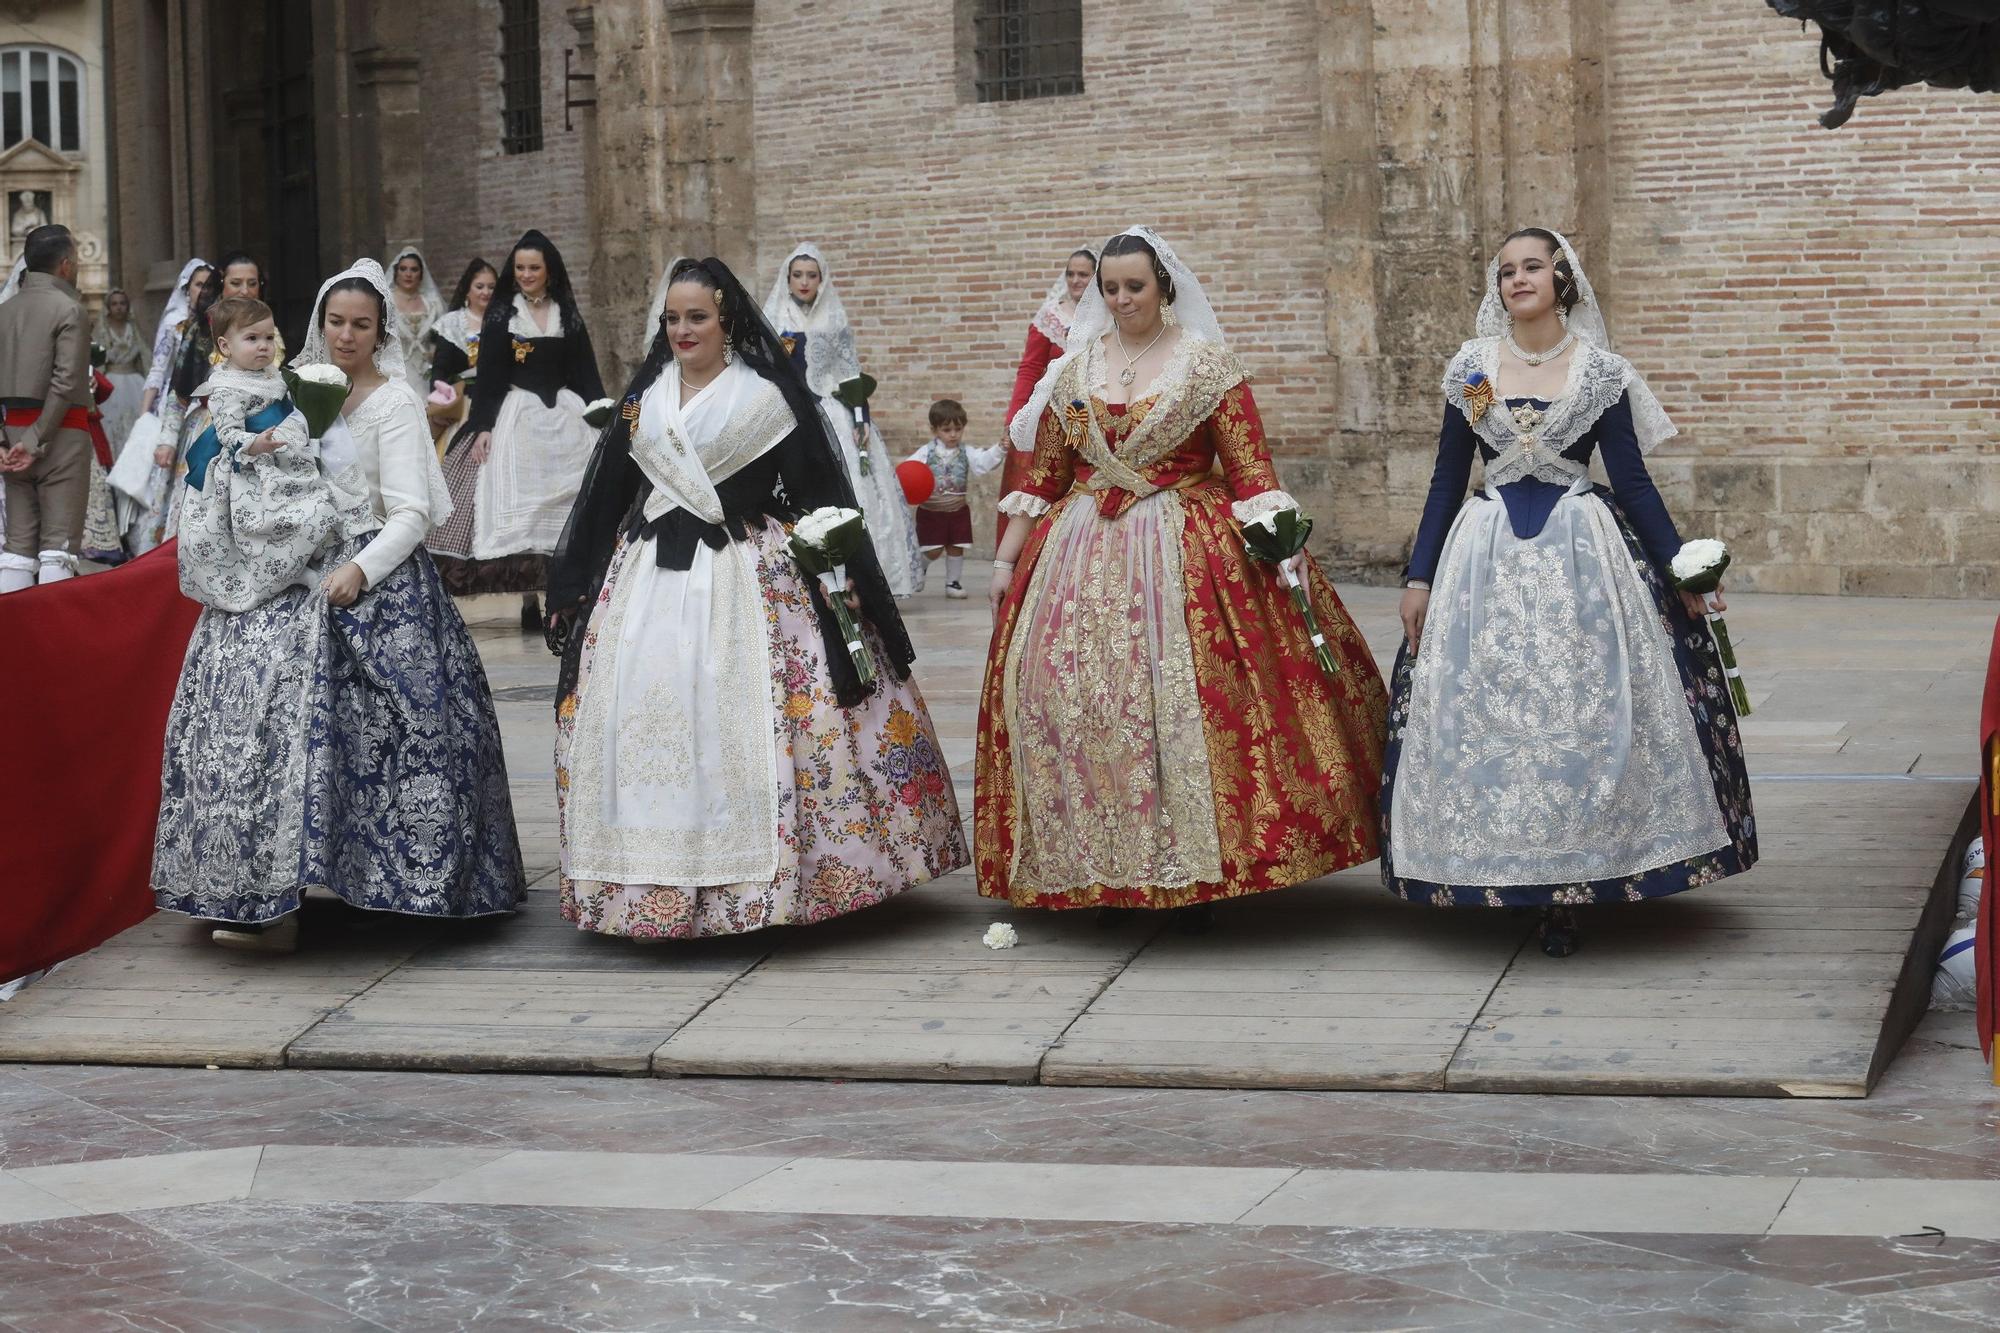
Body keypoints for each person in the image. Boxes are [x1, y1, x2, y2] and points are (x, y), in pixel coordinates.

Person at [546, 257, 966, 940]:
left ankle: (767, 882)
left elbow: (814, 492)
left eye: (697, 317)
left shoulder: (766, 398)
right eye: (672, 319)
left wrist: (840, 579)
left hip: (745, 573)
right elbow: (609, 495)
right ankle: (643, 882)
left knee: (758, 712)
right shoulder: (641, 400)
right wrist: (573, 585)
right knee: (644, 713)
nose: (683, 330)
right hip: (646, 580)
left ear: (727, 318)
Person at [978, 226, 1388, 918]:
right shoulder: (1074, 372)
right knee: (1071, 702)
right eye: (1109, 288)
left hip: (1187, 545)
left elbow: (1250, 467)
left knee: (1195, 699)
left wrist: (1280, 540)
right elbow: (1046, 473)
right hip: (1076, 554)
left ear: (1163, 285)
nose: (1120, 299)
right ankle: (1093, 863)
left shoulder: (1205, 366)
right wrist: (1004, 557)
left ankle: (1198, 865)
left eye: (1133, 286)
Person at [1384, 227, 1756, 956]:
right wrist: (1419, 574)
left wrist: (1684, 571)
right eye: (1505, 271)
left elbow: (1635, 483)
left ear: (1562, 279)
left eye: (1531, 267)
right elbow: (1445, 479)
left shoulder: (1600, 373)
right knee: (1486, 715)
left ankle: (1570, 887)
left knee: (1585, 714)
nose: (1517, 279)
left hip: (1583, 558)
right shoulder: (1471, 369)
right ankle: (1494, 867)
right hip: (1482, 558)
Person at [152, 259, 524, 952]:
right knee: (251, 692)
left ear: (381, 330)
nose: (346, 336)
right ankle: (259, 894)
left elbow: (412, 513)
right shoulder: (288, 392)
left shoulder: (395, 402)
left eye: (360, 324)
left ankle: (410, 884)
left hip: (375, 572)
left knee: (400, 723)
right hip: (293, 567)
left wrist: (360, 566)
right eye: (335, 322)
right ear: (318, 324)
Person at [429, 230, 602, 631]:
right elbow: (490, 375)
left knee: (568, 499)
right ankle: (529, 596)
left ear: (549, 271)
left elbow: (585, 371)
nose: (526, 274)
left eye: (534, 268)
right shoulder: (502, 314)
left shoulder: (567, 313)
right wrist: (484, 426)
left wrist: (600, 412)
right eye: (520, 267)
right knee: (515, 497)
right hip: (517, 414)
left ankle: (561, 592)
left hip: (565, 412)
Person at [175, 295, 372, 613]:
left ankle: (303, 557)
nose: (263, 346)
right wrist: (253, 444)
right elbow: (227, 433)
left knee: (313, 503)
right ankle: (286, 572)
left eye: (268, 337)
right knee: (264, 522)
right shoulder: (226, 387)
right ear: (225, 346)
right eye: (252, 339)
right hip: (248, 469)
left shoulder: (272, 375)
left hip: (281, 453)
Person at [762, 243, 923, 596]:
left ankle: (863, 576)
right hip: (790, 413)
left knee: (857, 487)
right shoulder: (774, 318)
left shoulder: (834, 318)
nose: (804, 282)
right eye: (798, 275)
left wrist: (861, 417)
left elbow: (850, 372)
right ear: (787, 279)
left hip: (834, 411)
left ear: (822, 279)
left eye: (812, 275)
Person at [0, 225, 93, 592]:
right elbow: (67, 381)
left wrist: (5, 445)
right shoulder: (70, 308)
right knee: (58, 546)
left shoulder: (3, 311)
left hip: (12, 435)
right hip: (60, 435)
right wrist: (37, 439)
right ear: (66, 266)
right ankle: (55, 644)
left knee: (17, 546)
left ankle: (11, 640)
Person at [998, 248, 1096, 542]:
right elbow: (1029, 370)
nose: (1076, 280)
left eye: (1083, 274)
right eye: (1071, 274)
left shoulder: (1107, 318)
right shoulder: (1051, 317)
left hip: (1089, 415)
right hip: (1050, 415)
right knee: (1038, 484)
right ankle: (1021, 557)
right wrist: (1014, 417)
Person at [113, 259, 210, 554]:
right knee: (163, 482)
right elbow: (158, 368)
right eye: (197, 285)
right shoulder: (174, 322)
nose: (203, 291)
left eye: (209, 285)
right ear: (186, 288)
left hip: (208, 405)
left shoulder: (218, 319)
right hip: (176, 403)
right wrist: (145, 417)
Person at [903, 398, 1002, 598]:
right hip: (932, 512)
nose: (953, 434)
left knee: (957, 546)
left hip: (957, 510)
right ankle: (917, 570)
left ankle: (953, 583)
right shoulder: (925, 452)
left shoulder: (967, 452)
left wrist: (1000, 448)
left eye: (958, 429)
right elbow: (909, 471)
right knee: (933, 550)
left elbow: (983, 463)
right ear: (935, 430)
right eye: (947, 430)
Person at [82, 288, 149, 562]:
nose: (120, 307)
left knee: (132, 438)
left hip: (134, 384)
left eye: (124, 302)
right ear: (108, 307)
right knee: (112, 438)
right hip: (113, 389)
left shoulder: (135, 328)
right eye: (115, 303)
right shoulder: (102, 329)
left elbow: (145, 356)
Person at [387, 246, 444, 395]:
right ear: (396, 272)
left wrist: (434, 352)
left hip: (427, 375)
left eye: (414, 270)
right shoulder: (386, 303)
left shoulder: (432, 304)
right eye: (403, 269)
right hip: (395, 376)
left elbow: (441, 338)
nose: (408, 274)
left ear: (421, 274)